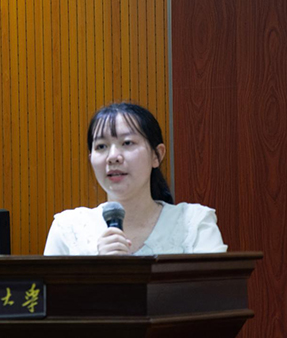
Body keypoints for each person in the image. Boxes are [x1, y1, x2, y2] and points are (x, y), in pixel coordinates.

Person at [43, 102, 227, 255]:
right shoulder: (67, 229)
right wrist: (98, 270)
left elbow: (216, 288)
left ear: (157, 155)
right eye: (101, 146)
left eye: (127, 143)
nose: (112, 157)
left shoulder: (195, 223)